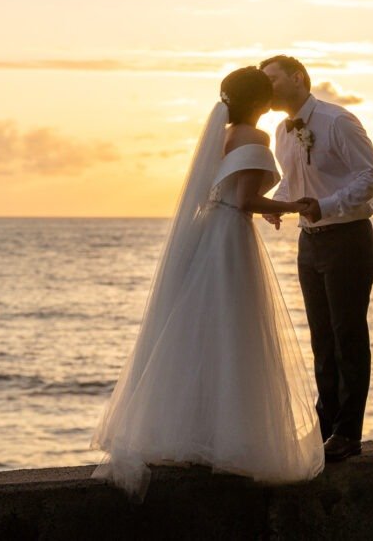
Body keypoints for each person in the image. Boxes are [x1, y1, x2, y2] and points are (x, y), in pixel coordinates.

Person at [90, 66, 325, 500]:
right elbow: (244, 200)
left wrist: (269, 205)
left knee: (196, 331)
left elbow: (229, 190)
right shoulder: (255, 137)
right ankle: (228, 438)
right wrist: (297, 205)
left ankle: (190, 433)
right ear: (260, 101)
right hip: (230, 237)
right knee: (234, 333)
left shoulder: (221, 133)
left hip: (208, 230)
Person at [261, 55, 373, 462]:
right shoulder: (281, 131)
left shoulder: (338, 121)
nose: (267, 88)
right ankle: (326, 426)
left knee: (347, 335)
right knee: (321, 339)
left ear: (298, 78)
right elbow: (294, 183)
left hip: (348, 238)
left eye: (273, 80)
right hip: (309, 242)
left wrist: (325, 206)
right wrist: (276, 205)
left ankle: (349, 433)